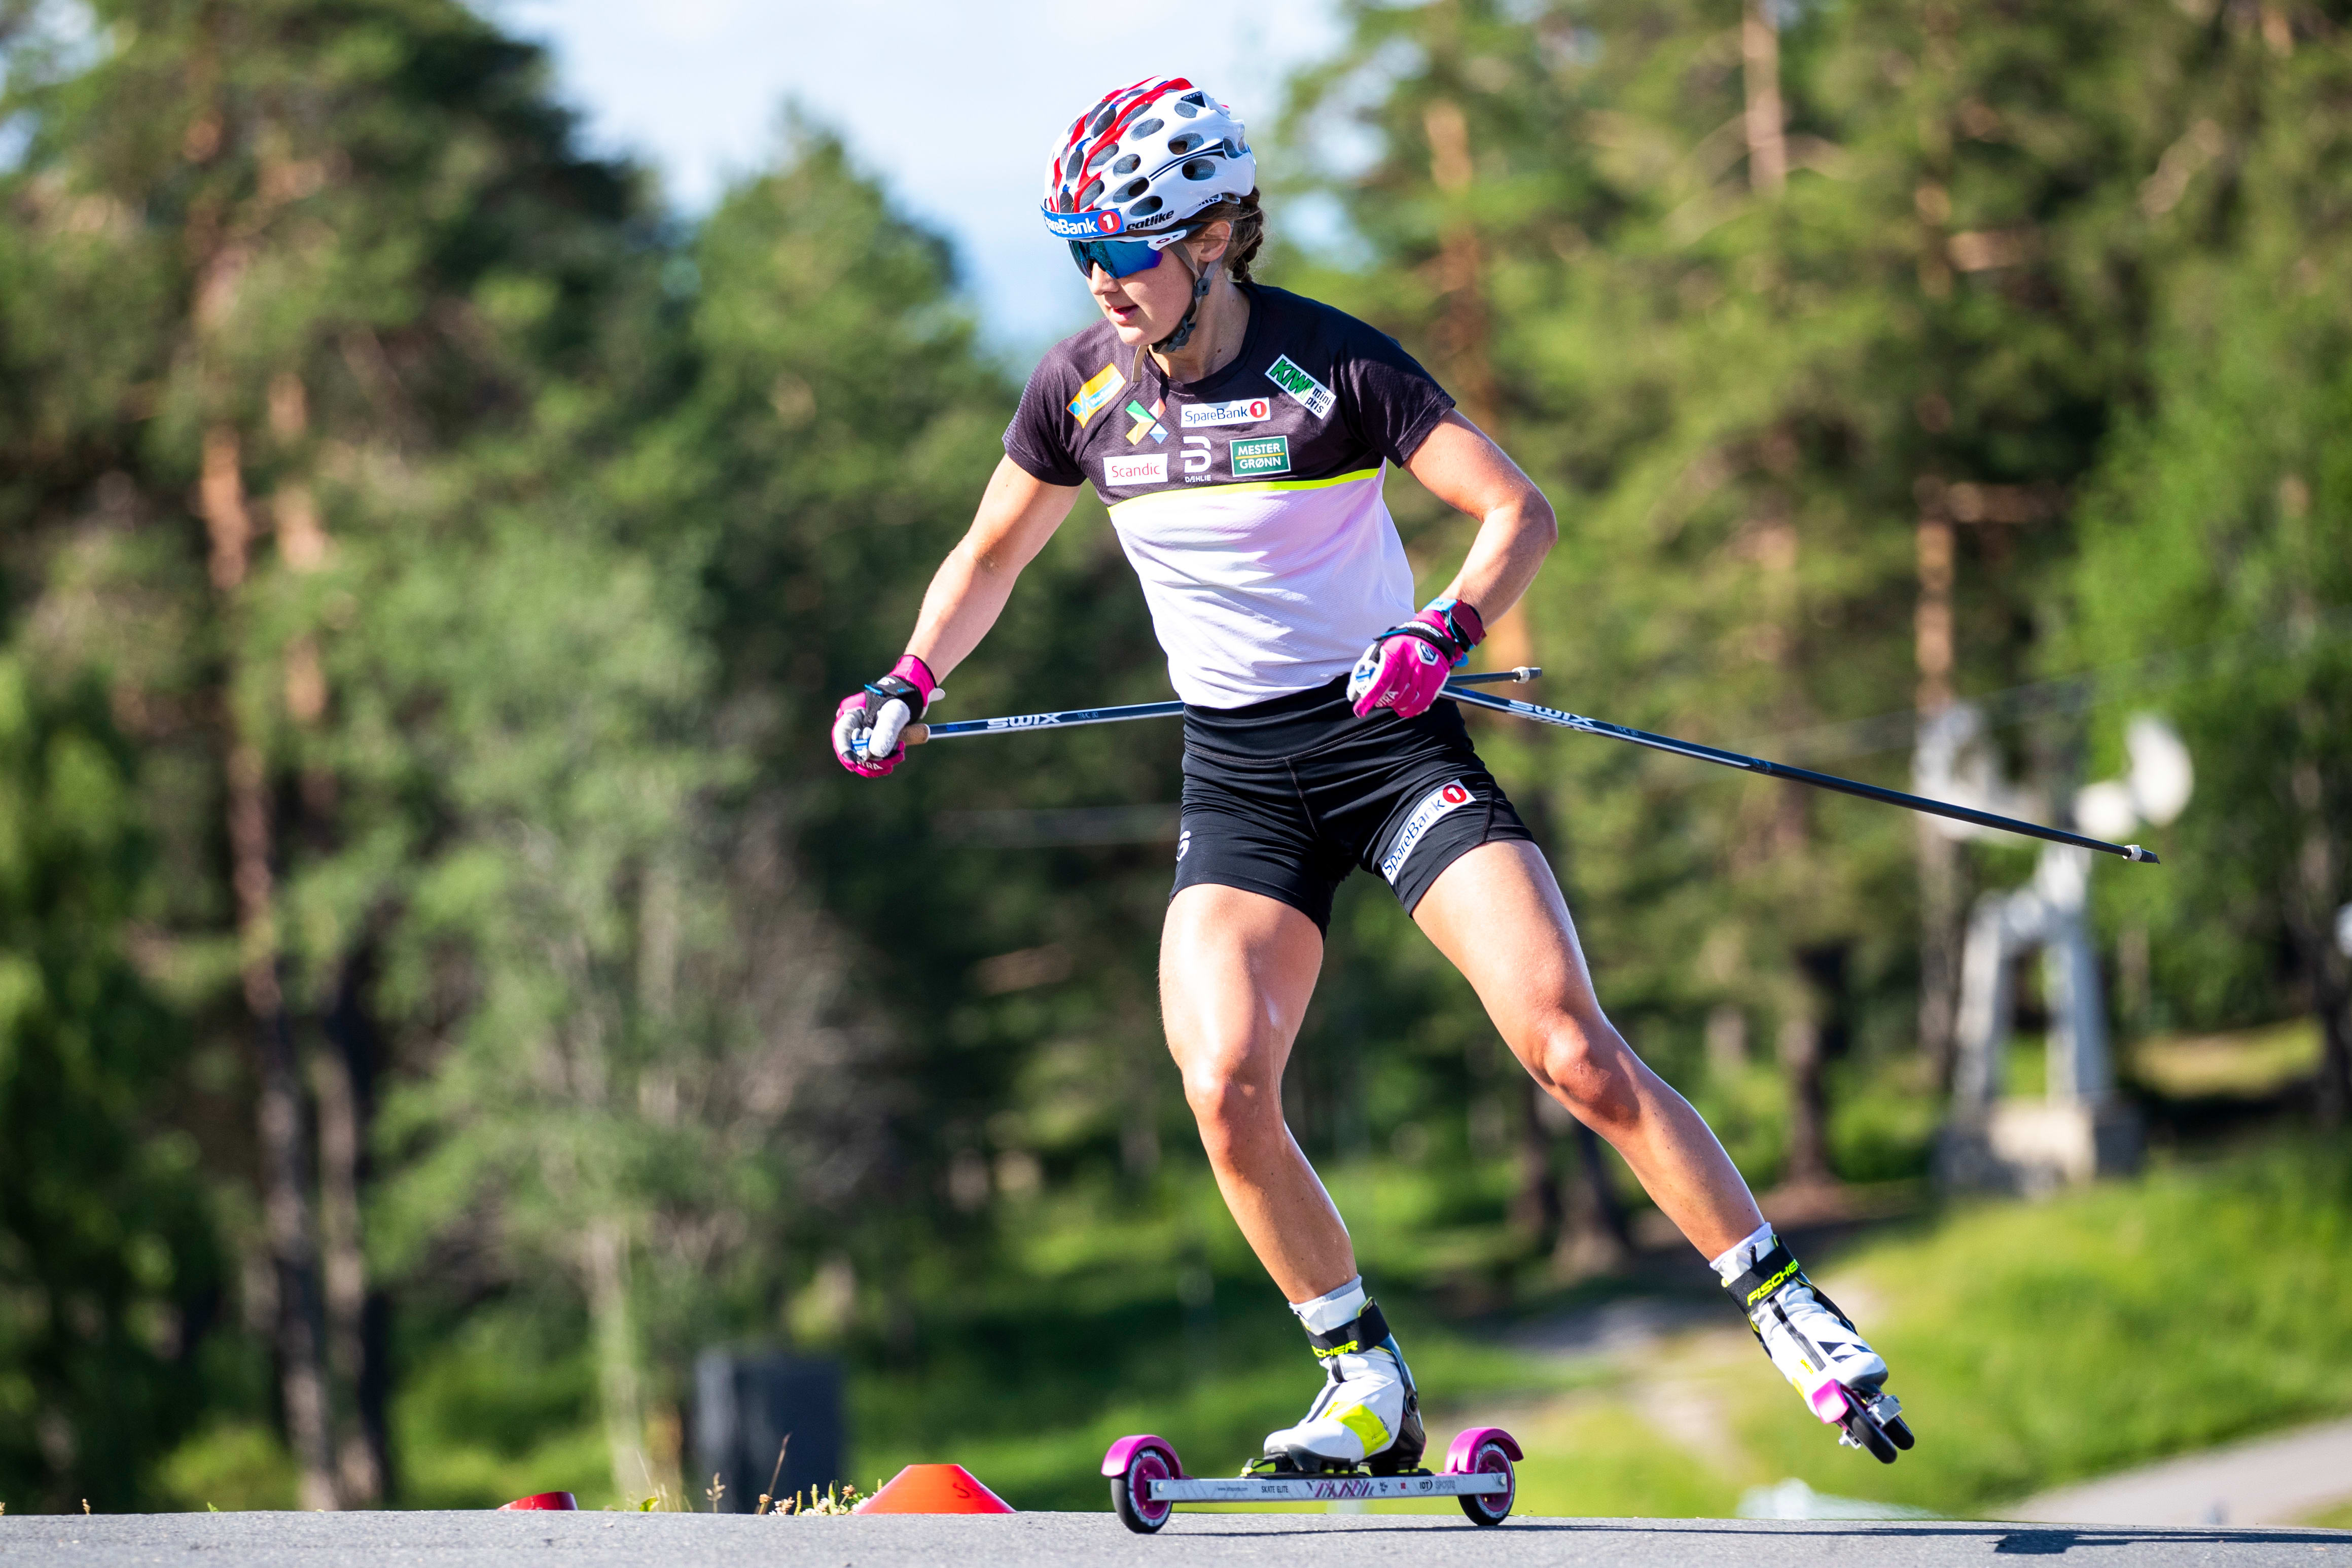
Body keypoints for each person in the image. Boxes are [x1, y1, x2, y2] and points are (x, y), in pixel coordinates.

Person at [831, 76, 1900, 1473]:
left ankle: (1786, 1302)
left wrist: (1443, 628)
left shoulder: (1332, 363)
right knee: (1223, 1085)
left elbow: (1517, 510)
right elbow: (989, 556)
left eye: (1125, 250)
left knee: (1568, 1046)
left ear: (1213, 237)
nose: (1101, 279)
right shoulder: (1080, 387)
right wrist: (910, 679)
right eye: (1081, 252)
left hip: (1388, 746)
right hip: (1239, 779)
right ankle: (1365, 1380)